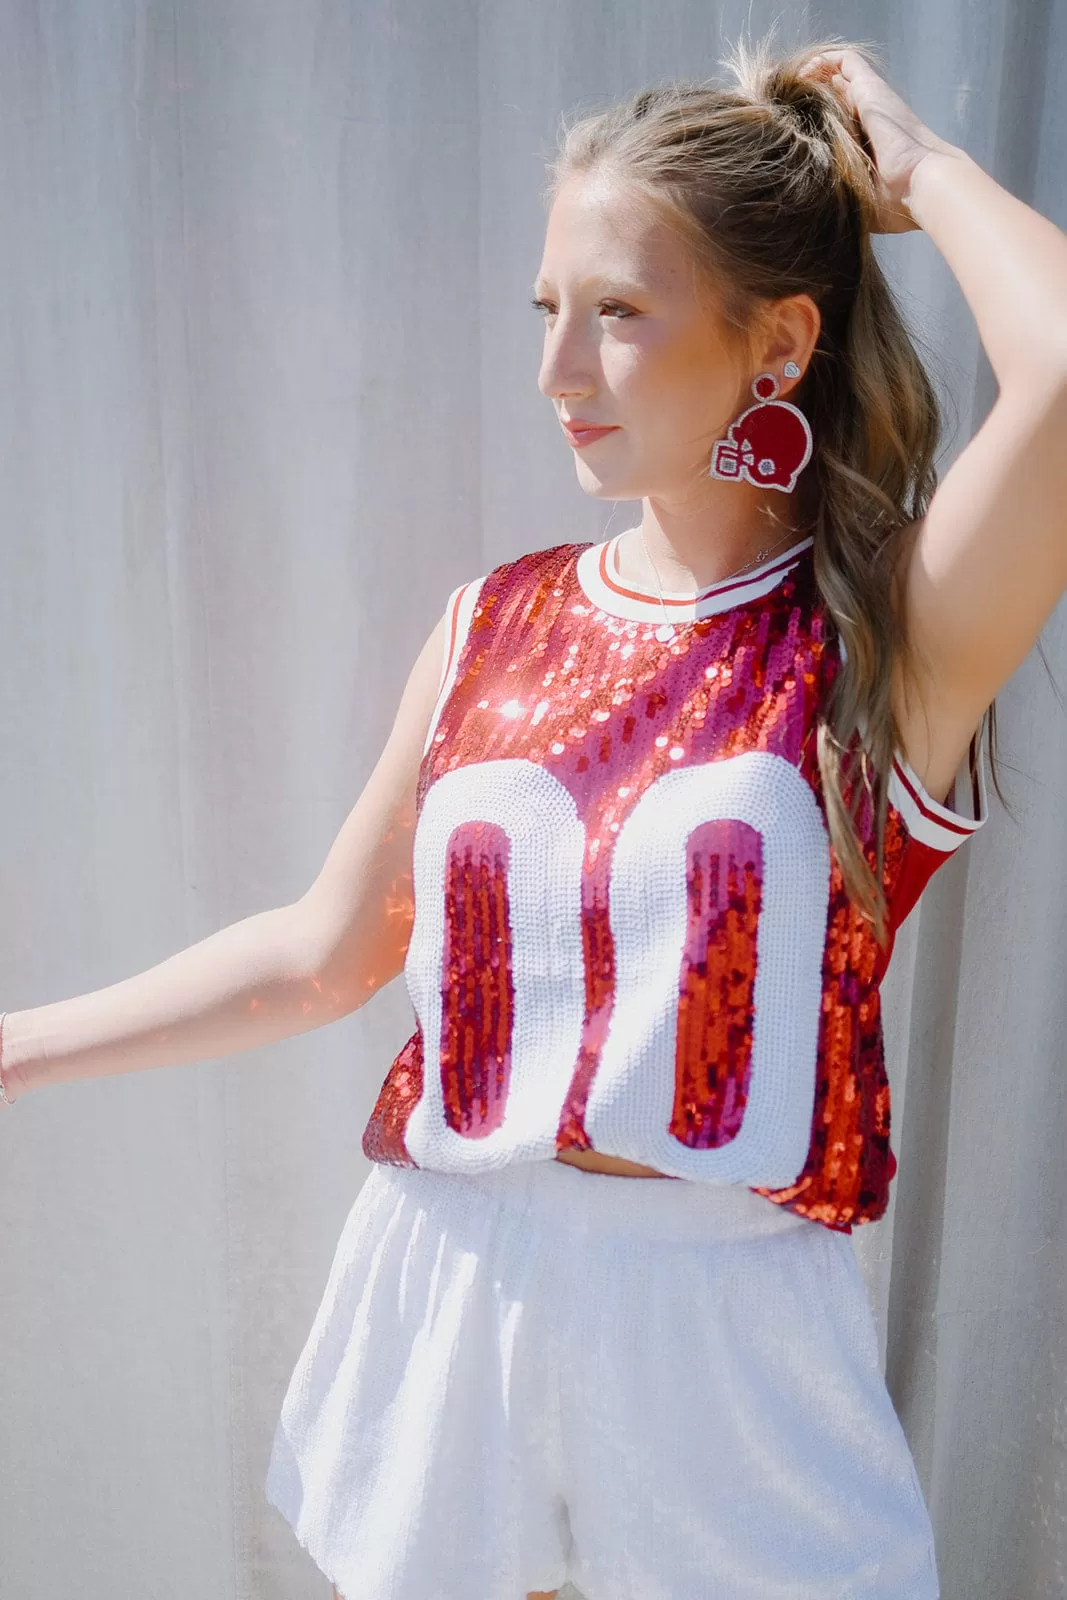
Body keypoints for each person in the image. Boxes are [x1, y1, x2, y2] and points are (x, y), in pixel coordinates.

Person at [4, 30, 1067, 1600]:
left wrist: (914, 170)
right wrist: (18, 1043)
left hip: (726, 1338)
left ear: (775, 344)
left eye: (619, 315)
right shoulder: (490, 625)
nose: (556, 371)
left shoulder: (877, 636)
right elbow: (321, 953)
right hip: (455, 1291)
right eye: (549, 310)